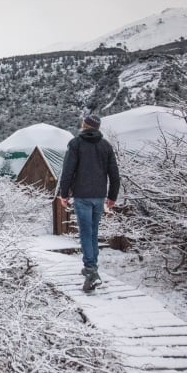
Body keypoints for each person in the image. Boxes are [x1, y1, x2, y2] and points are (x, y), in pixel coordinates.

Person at [58, 114, 120, 292]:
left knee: (86, 233)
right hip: (99, 196)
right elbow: (114, 174)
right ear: (98, 128)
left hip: (82, 196)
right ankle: (93, 268)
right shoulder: (105, 146)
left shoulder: (76, 144)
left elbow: (68, 170)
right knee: (93, 233)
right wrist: (112, 196)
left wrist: (64, 193)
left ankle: (91, 271)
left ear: (84, 126)